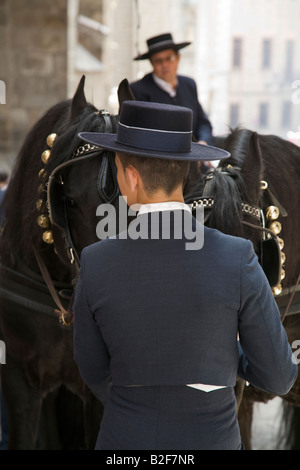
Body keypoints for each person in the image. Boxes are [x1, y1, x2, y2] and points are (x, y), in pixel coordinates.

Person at [73, 100, 297, 450]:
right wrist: (220, 360)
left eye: (117, 169)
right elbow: (280, 376)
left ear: (131, 177)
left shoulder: (95, 261)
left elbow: (93, 370)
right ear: (184, 171)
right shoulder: (238, 257)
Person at [130, 33, 213, 145]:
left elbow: (203, 123)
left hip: (194, 156)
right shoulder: (138, 90)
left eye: (169, 58)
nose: (164, 64)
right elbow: (139, 133)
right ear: (151, 63)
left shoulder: (189, 84)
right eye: (158, 61)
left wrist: (203, 143)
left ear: (178, 58)